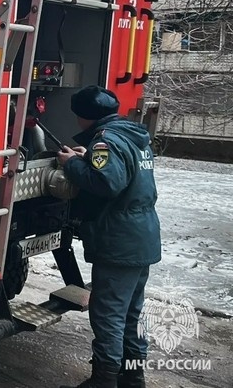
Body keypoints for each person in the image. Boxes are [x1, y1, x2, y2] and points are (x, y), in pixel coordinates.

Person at [57, 85, 161, 388]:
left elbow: (107, 184)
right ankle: (132, 377)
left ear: (85, 117)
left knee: (109, 316)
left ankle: (103, 381)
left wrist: (73, 164)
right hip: (141, 237)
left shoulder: (106, 141)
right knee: (131, 314)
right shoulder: (131, 135)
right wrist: (88, 156)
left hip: (118, 241)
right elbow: (122, 171)